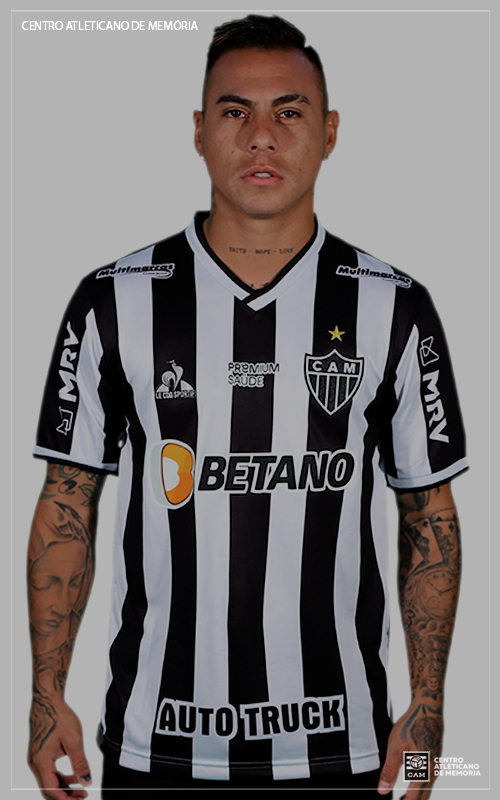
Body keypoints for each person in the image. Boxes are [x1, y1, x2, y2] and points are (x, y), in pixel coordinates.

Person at [27, 14, 467, 799]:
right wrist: (44, 694)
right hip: (157, 746)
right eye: (235, 112)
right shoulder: (114, 299)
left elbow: (427, 512)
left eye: (289, 112)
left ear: (330, 132)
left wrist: (427, 706)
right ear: (199, 131)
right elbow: (68, 501)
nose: (262, 136)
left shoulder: (393, 306)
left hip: (342, 750)